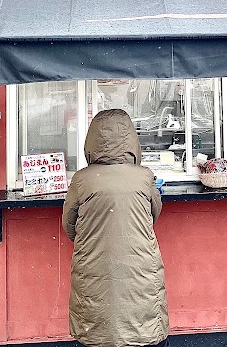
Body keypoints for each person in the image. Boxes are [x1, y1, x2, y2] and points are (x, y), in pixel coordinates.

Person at [62, 109, 169, 347]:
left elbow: (69, 227)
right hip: (139, 264)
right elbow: (154, 214)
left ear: (91, 142)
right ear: (131, 141)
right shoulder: (144, 176)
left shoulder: (81, 179)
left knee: (96, 326)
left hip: (94, 265)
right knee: (144, 321)